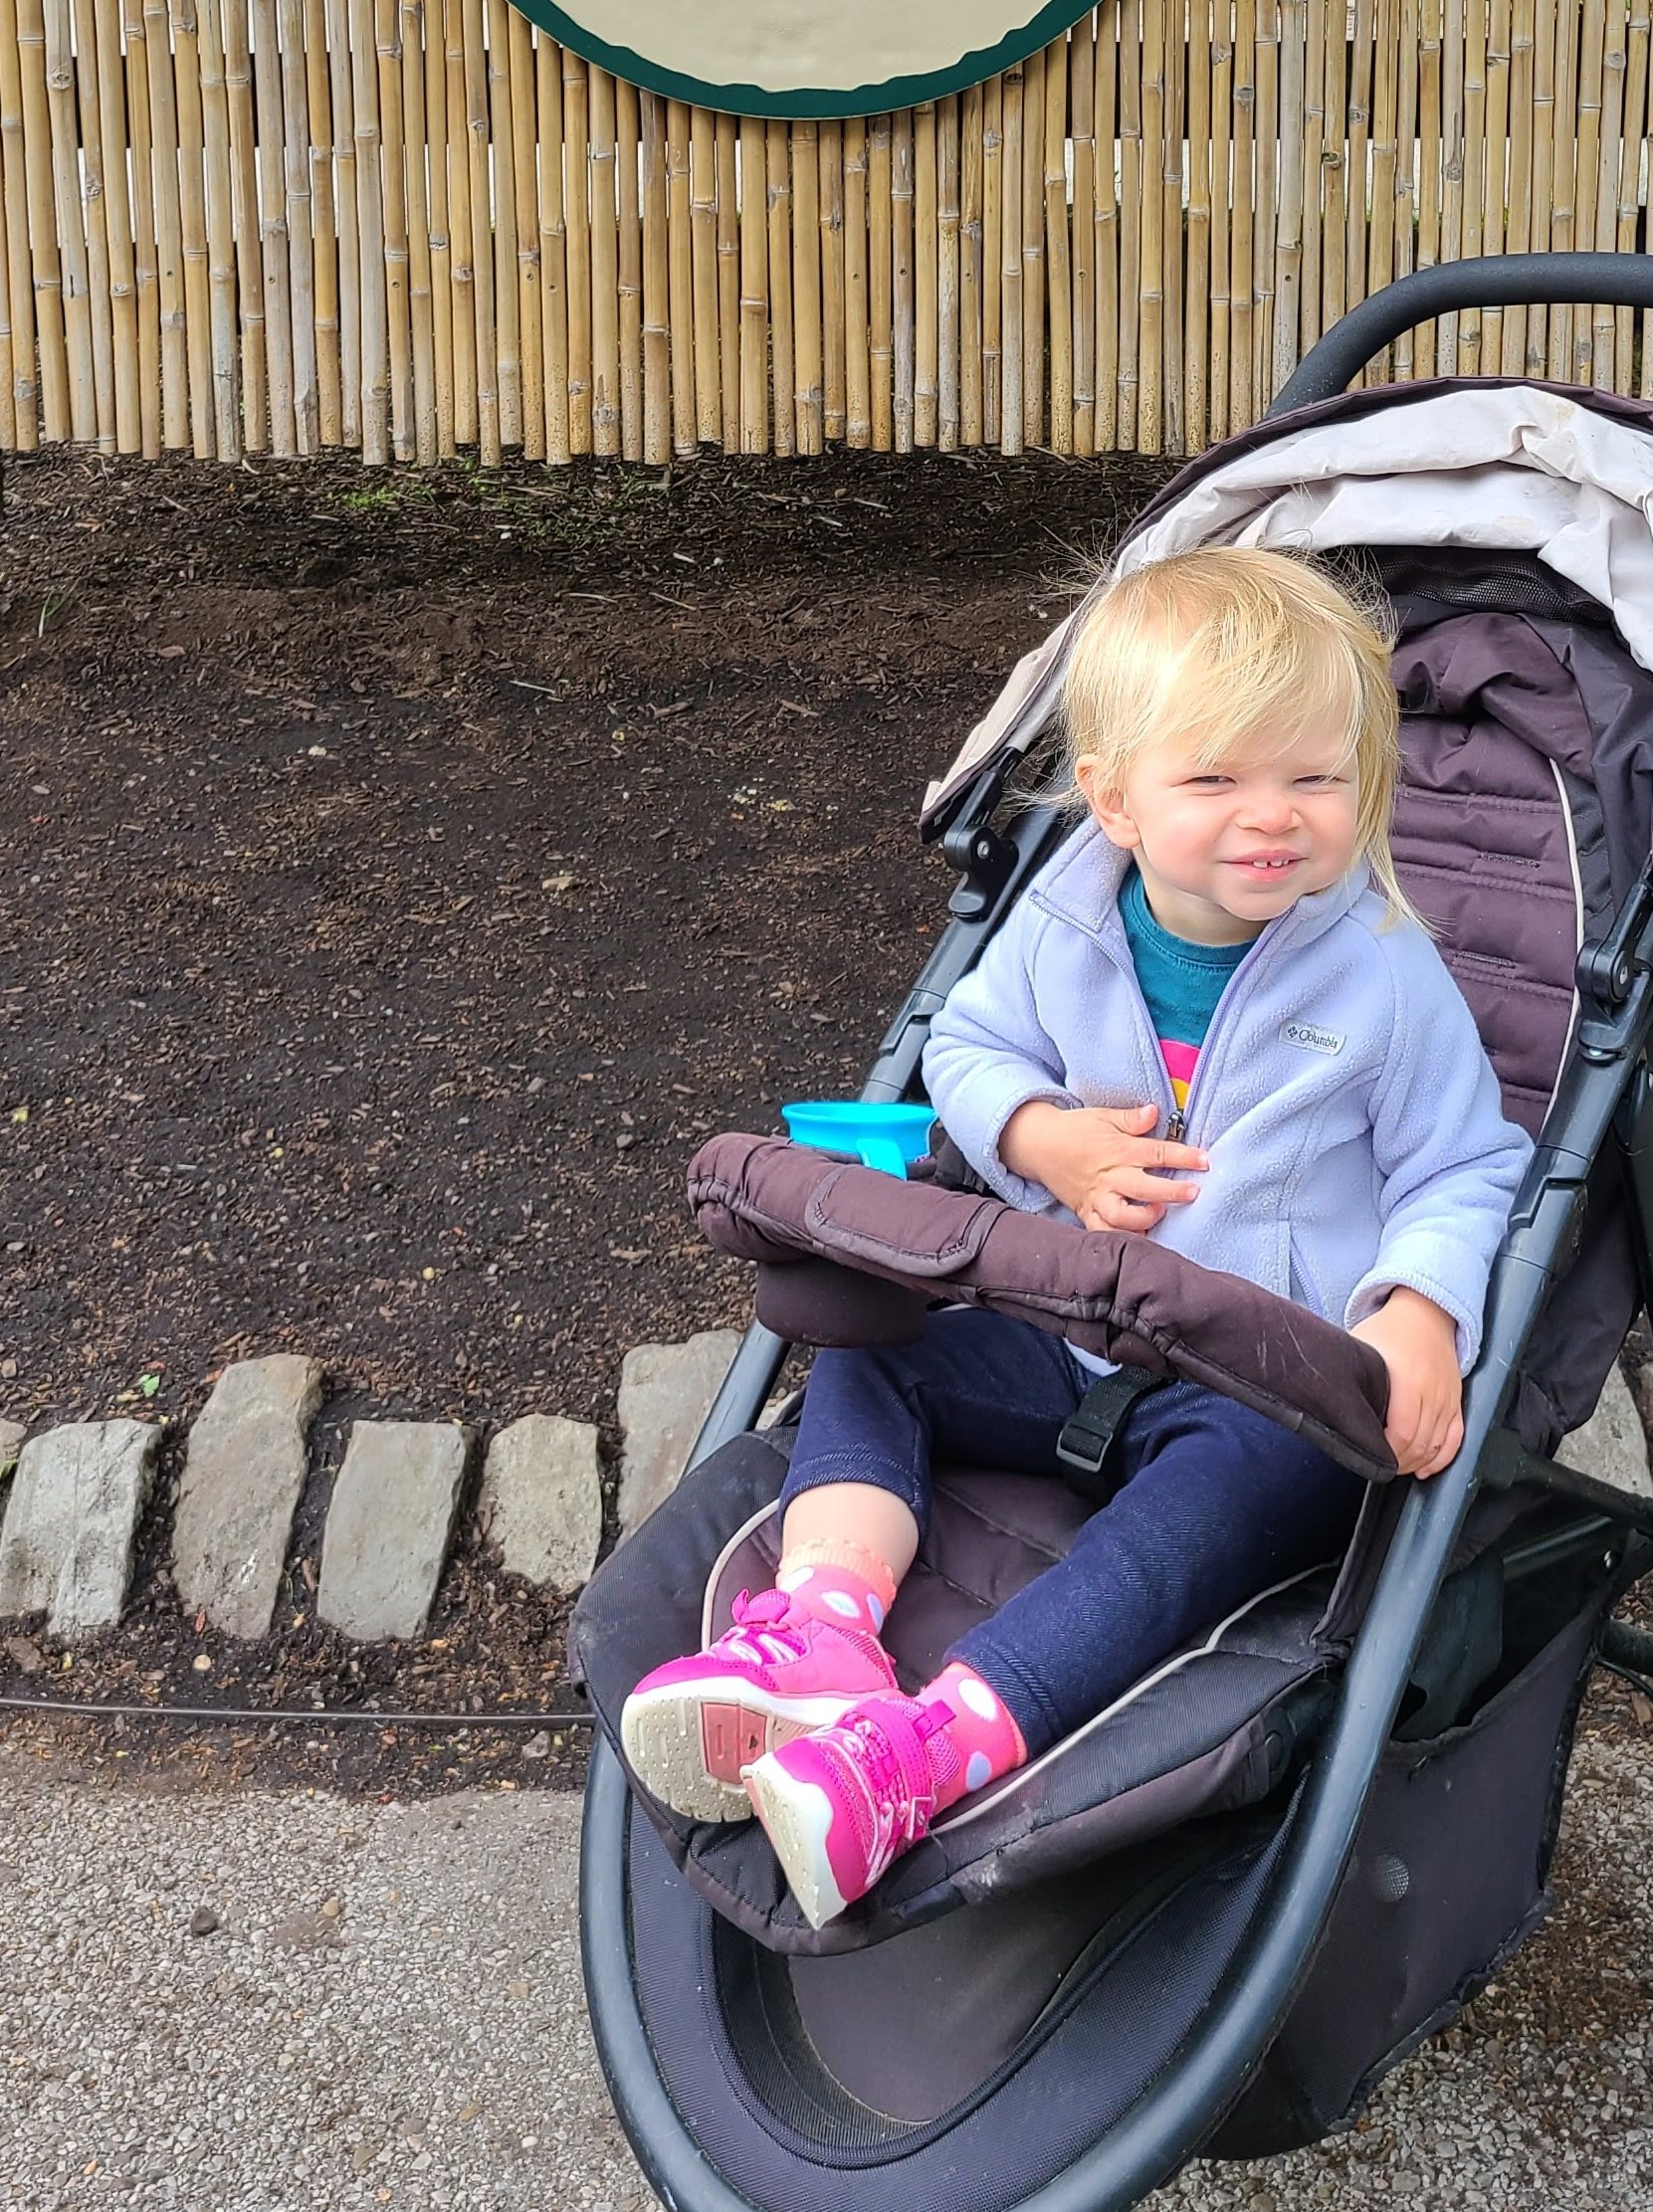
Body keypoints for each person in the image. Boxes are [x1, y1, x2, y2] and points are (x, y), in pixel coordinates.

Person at [621, 543, 1532, 1927]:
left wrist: (1417, 1310)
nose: (1272, 817)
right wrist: (1040, 1135)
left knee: (1208, 1515)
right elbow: (966, 1050)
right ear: (1113, 799)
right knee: (874, 1348)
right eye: (1214, 780)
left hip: (1255, 1380)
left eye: (1314, 777)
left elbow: (1464, 1165)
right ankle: (820, 1630)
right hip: (1069, 1331)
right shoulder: (1064, 923)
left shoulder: (1383, 976)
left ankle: (931, 1750)